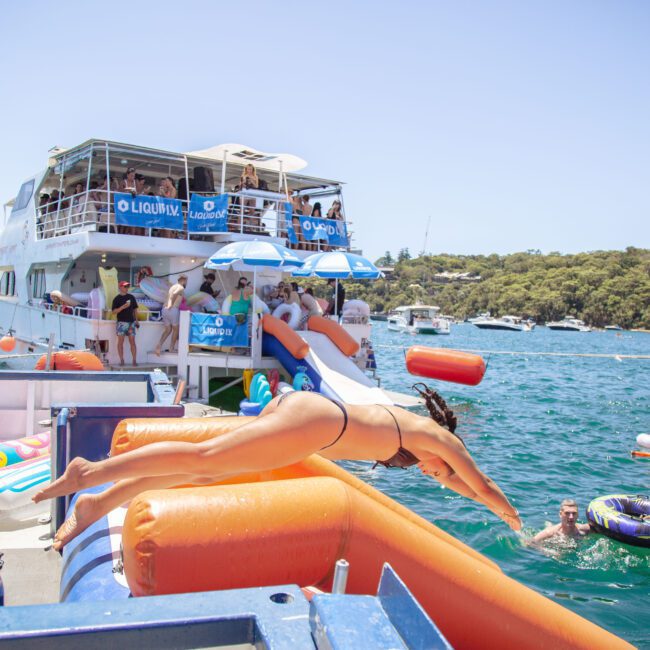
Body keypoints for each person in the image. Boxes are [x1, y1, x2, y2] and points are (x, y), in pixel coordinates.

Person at [34, 385, 521, 551]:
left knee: (205, 472)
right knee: (205, 458)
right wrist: (508, 514)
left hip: (312, 426)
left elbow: (461, 486)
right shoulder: (438, 438)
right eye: (438, 472)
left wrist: (471, 495)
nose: (435, 475)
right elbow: (478, 482)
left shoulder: (420, 441)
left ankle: (99, 500)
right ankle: (90, 472)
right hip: (316, 424)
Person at [155, 275, 187, 355]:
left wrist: (168, 305)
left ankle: (159, 344)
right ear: (184, 280)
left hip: (164, 310)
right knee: (176, 329)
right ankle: (171, 348)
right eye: (186, 281)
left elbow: (170, 295)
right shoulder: (181, 287)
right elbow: (174, 295)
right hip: (172, 309)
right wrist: (171, 304)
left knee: (168, 330)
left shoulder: (173, 286)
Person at [111, 281, 138, 366]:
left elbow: (135, 309)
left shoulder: (131, 297)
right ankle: (122, 360)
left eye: (128, 286)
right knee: (120, 342)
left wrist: (136, 320)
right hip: (121, 323)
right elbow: (114, 312)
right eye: (125, 286)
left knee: (132, 342)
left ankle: (134, 360)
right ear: (120, 287)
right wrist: (123, 307)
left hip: (131, 322)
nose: (127, 288)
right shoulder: (117, 299)